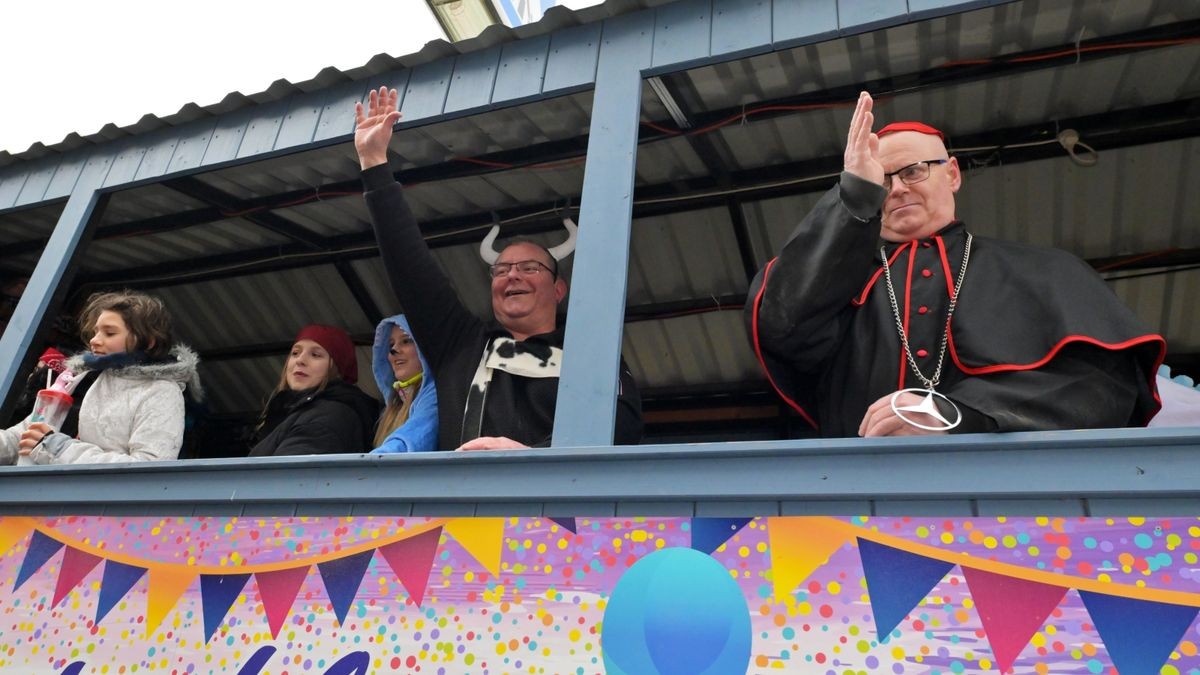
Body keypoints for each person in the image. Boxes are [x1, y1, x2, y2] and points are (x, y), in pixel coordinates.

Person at [746, 92, 1164, 438]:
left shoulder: (1046, 270)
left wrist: (960, 415)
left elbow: (1102, 387)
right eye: (881, 181)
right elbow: (780, 325)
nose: (895, 191)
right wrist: (854, 193)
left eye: (912, 171)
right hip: (857, 499)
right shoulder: (835, 283)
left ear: (952, 175)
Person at [355, 86, 643, 450]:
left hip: (551, 504)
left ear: (558, 289)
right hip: (455, 506)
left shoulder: (591, 353)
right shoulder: (461, 345)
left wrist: (531, 460)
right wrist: (373, 162)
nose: (512, 275)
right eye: (502, 269)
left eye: (529, 267)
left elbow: (623, 430)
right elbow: (410, 267)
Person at [0, 290, 202, 464]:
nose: (95, 341)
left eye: (110, 333)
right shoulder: (78, 378)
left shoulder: (161, 391)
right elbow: (25, 435)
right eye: (96, 332)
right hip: (36, 502)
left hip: (95, 509)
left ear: (148, 341)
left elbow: (149, 468)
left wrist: (60, 449)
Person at [248, 324, 380, 456]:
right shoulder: (300, 412)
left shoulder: (329, 415)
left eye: (315, 355)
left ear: (337, 370)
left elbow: (288, 473)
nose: (300, 360)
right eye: (295, 353)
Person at [369, 314, 438, 453]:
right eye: (390, 345)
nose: (394, 351)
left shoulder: (436, 394)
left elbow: (412, 440)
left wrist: (368, 465)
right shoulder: (395, 404)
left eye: (406, 341)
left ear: (425, 346)